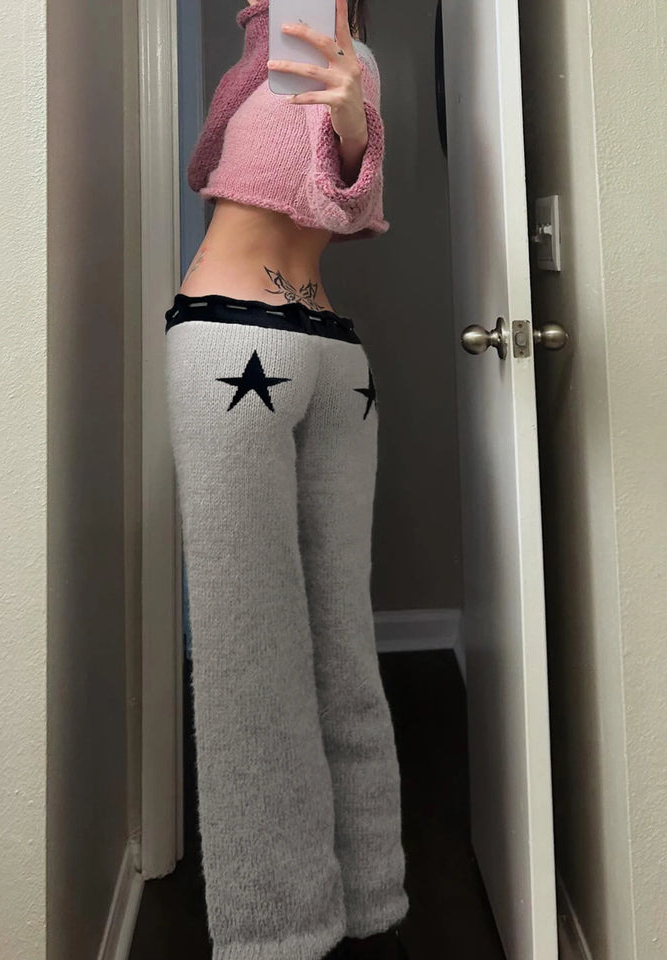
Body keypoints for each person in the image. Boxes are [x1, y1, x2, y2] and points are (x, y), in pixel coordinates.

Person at [163, 1, 409, 957]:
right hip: (299, 348)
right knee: (297, 642)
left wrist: (350, 122)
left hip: (260, 343)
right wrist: (260, 46)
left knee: (280, 644)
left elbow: (343, 203)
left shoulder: (349, 57)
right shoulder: (270, 50)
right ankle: (335, 908)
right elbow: (210, 169)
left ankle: (313, 918)